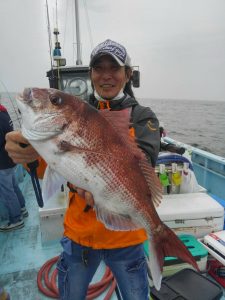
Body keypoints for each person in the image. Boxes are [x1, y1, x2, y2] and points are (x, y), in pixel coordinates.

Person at [5, 39, 160, 299]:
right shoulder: (74, 109)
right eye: (99, 68)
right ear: (91, 74)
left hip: (126, 238)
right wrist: (28, 155)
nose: (107, 75)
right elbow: (49, 168)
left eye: (115, 68)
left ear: (128, 74)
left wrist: (93, 179)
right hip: (80, 236)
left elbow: (143, 164)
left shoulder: (143, 116)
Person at [0, 103, 28, 232]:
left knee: (7, 191)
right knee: (13, 186)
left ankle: (16, 220)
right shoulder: (4, 112)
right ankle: (22, 208)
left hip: (2, 162)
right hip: (10, 159)